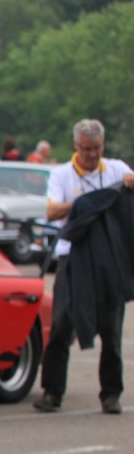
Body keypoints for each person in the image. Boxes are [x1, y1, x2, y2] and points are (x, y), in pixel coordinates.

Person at [35, 118, 134, 415]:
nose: (92, 154)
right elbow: (51, 211)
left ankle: (111, 394)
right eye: (86, 148)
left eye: (97, 148)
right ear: (75, 146)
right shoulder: (62, 175)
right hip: (72, 258)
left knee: (111, 330)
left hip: (108, 260)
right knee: (61, 326)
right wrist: (84, 203)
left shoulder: (115, 169)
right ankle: (52, 392)